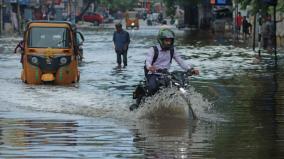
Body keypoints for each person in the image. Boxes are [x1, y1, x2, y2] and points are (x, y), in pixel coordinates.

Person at [145, 28, 199, 95]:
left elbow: (181, 61)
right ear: (161, 40)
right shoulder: (153, 49)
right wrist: (150, 67)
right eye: (166, 40)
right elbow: (148, 62)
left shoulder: (172, 50)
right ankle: (148, 101)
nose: (168, 42)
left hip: (166, 74)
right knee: (152, 87)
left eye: (170, 41)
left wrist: (191, 69)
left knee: (180, 84)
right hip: (153, 74)